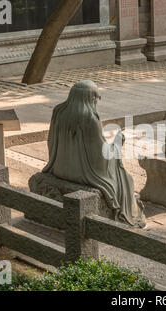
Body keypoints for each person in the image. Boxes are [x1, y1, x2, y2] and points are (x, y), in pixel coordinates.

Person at [43, 80, 146, 228]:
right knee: (126, 179)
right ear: (91, 98)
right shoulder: (90, 119)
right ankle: (127, 217)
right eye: (96, 97)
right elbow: (100, 158)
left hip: (59, 168)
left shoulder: (58, 111)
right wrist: (117, 143)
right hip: (83, 174)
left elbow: (51, 142)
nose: (97, 101)